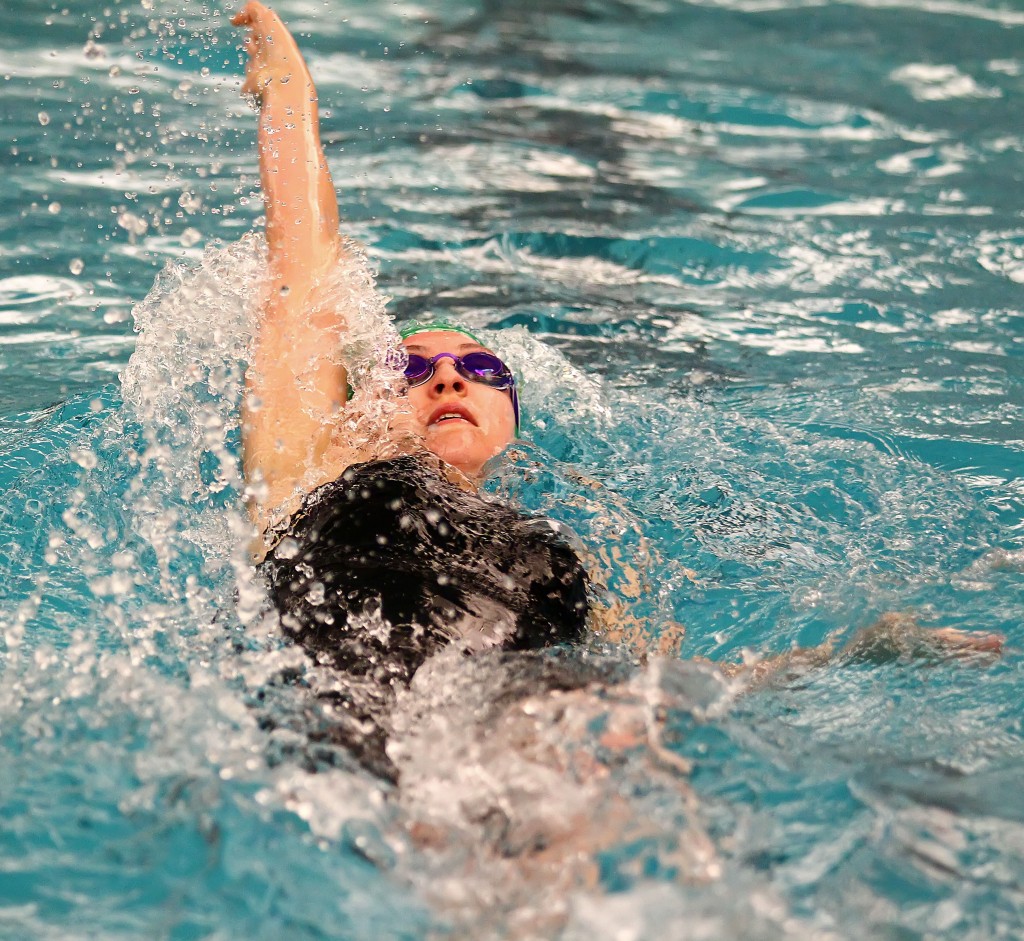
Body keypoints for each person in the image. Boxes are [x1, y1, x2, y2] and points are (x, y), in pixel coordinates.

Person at [230, 3, 1003, 786]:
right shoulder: (310, 467)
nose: (451, 377)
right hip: (351, 734)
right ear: (360, 403)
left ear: (512, 421)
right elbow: (305, 275)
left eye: (481, 368)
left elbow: (656, 683)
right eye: (412, 369)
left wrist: (860, 654)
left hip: (532, 731)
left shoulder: (559, 536)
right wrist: (292, 96)